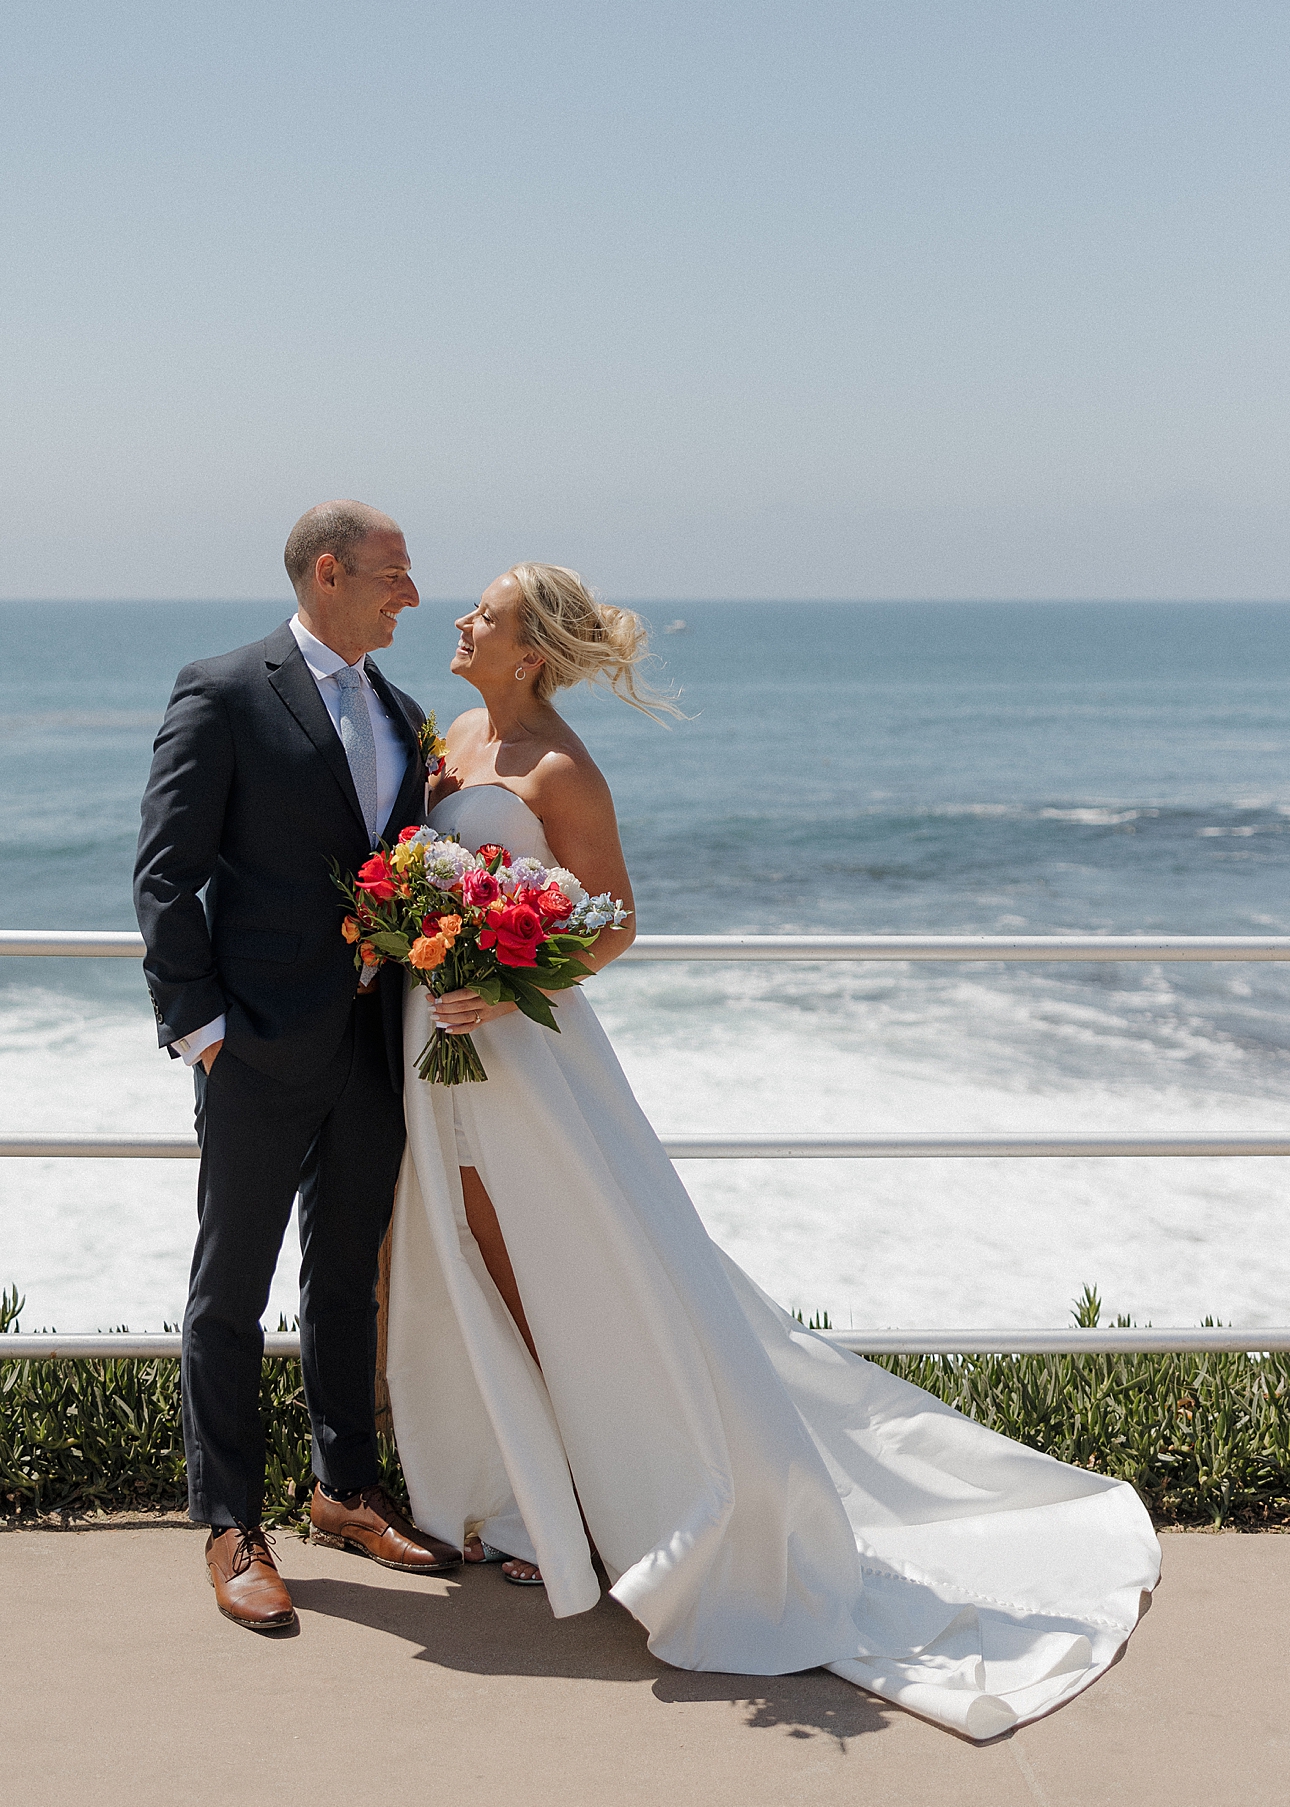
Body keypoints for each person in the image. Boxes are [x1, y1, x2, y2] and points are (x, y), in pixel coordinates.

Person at [383, 563, 1161, 1740]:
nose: (460, 622)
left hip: (523, 1053)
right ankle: (525, 1491)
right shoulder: (452, 736)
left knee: (570, 1269)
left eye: (482, 615)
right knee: (466, 1262)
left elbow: (616, 920)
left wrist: (504, 979)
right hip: (432, 1038)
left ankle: (605, 1504)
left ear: (528, 646)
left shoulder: (560, 768)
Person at [134, 500, 461, 1633]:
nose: (411, 596)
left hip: (373, 1047)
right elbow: (166, 873)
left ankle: (341, 1489)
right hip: (255, 1049)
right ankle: (228, 1522)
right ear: (331, 572)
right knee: (229, 1292)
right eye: (394, 575)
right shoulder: (224, 690)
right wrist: (204, 1031)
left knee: (344, 1279)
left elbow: (407, 881)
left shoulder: (406, 714)